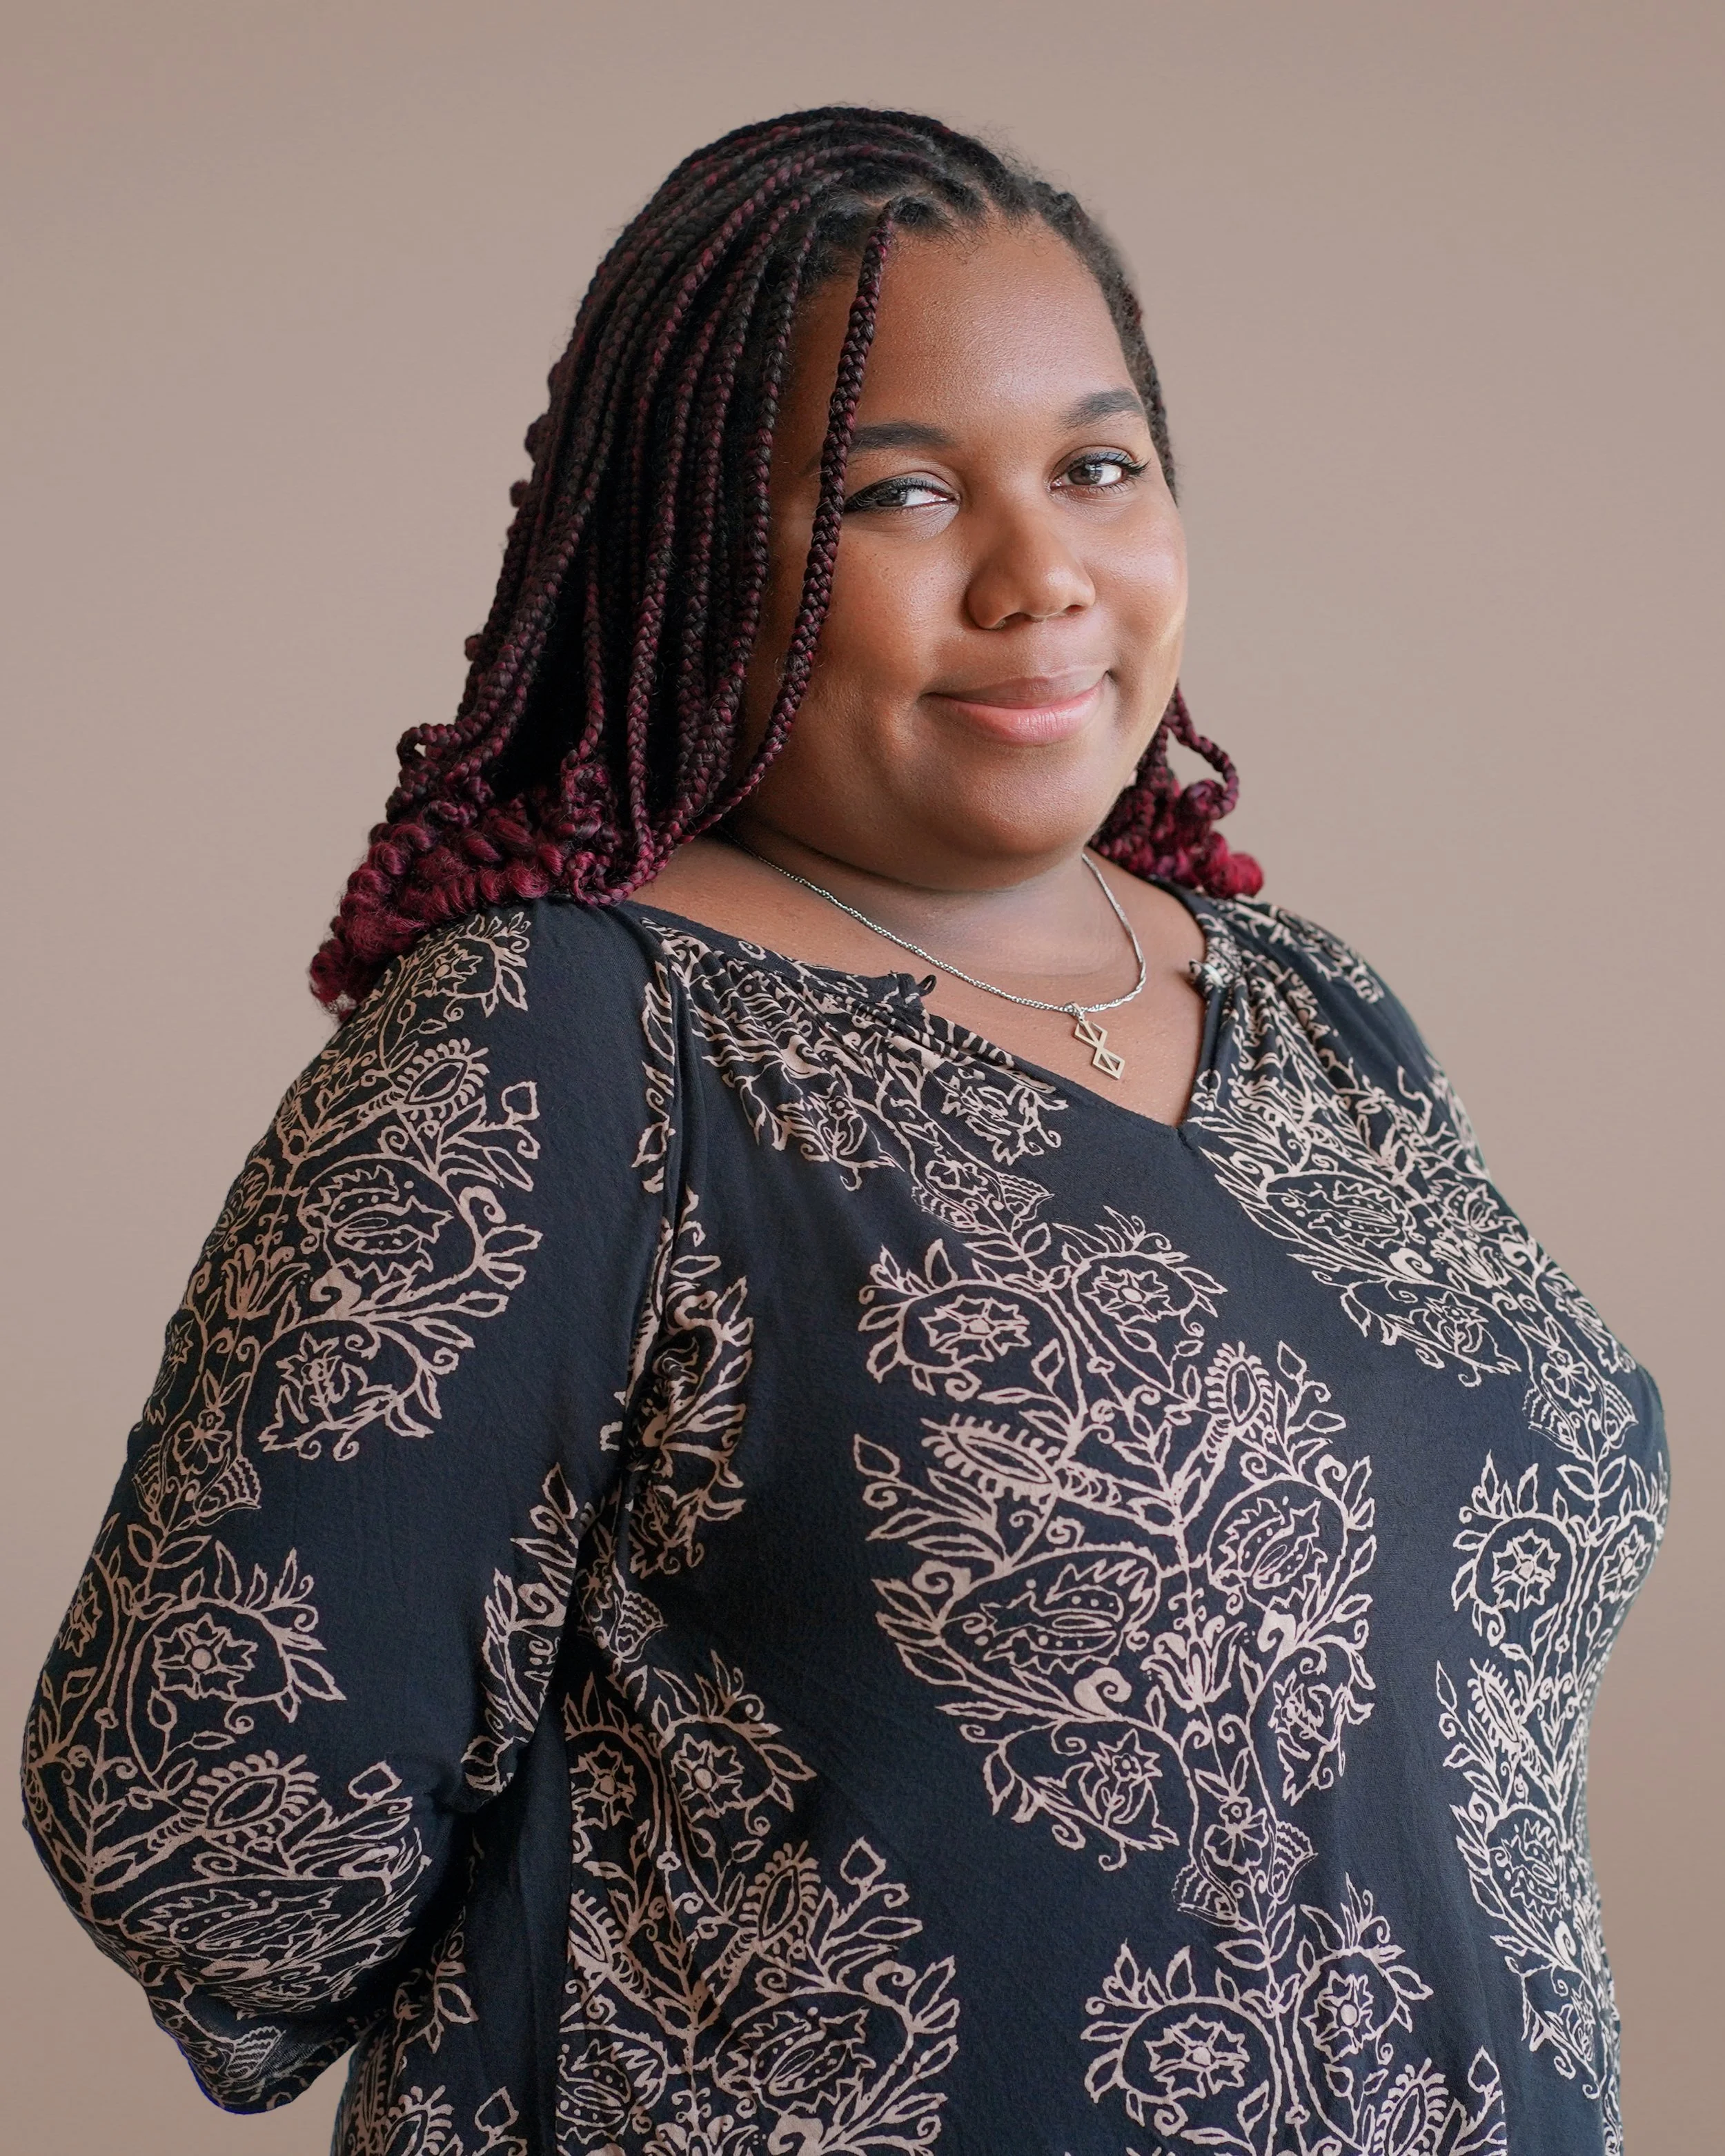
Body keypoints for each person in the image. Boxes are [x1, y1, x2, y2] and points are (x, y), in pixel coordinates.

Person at [21, 107, 1664, 2156]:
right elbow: (211, 1823)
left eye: (1095, 464)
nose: (1037, 571)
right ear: (697, 547)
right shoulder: (571, 1039)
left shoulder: (1313, 1007)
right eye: (900, 491)